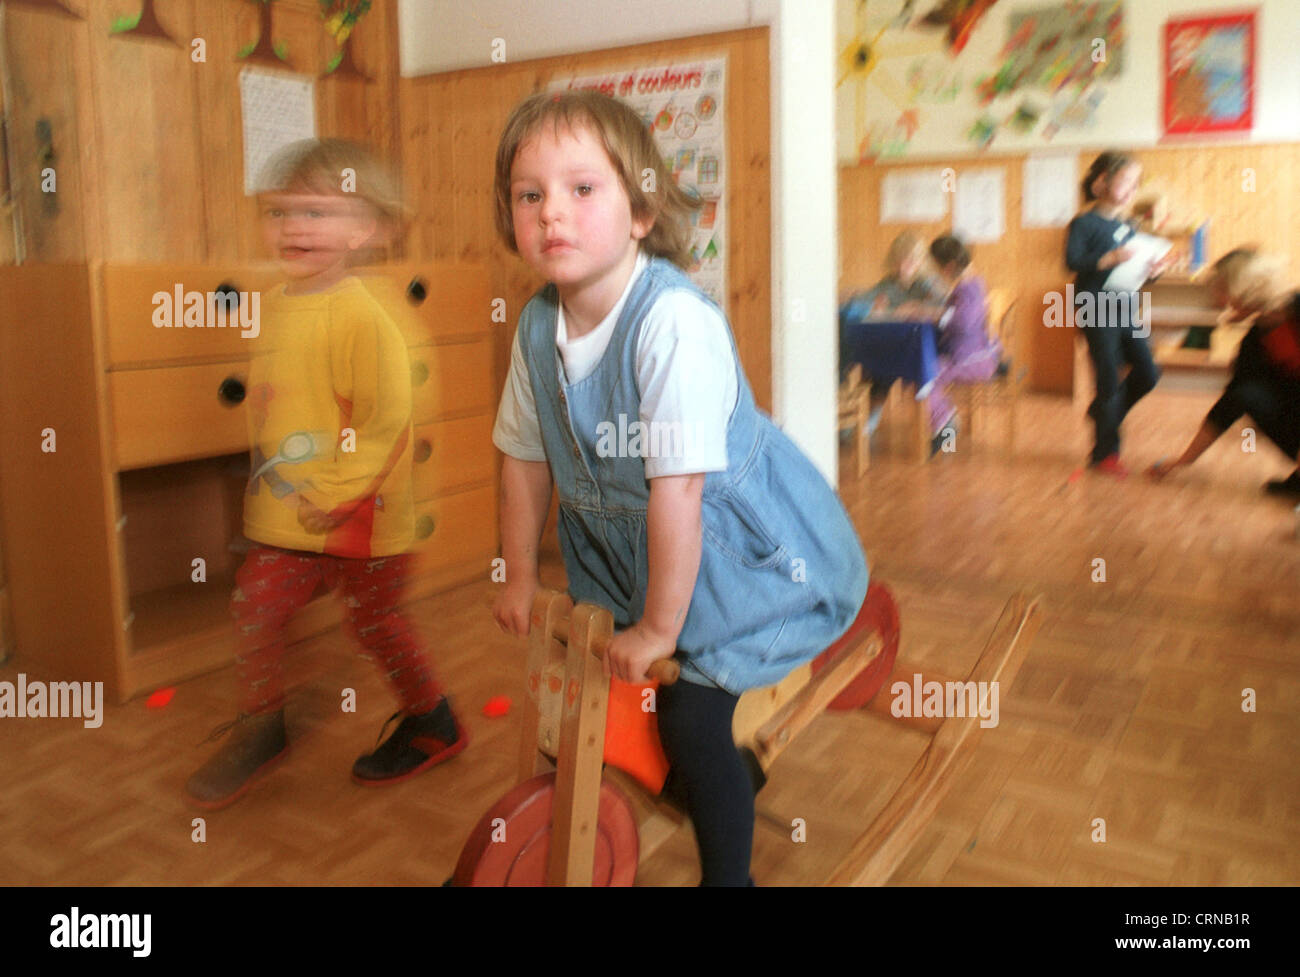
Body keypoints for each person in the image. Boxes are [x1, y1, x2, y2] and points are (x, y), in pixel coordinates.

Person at [489, 91, 868, 886]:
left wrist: (661, 628)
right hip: (643, 563)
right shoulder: (534, 327)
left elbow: (681, 492)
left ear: (638, 211)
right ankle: (706, 785)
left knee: (692, 720)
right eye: (531, 194)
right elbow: (524, 457)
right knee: (608, 698)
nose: (551, 211)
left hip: (753, 572)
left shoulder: (670, 324)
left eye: (582, 189)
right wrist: (519, 572)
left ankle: (730, 875)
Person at [185, 139, 465, 810]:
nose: (295, 228)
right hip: (291, 516)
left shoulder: (369, 318)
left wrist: (337, 495)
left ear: (364, 228)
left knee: (373, 624)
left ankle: (433, 718)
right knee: (257, 605)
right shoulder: (278, 303)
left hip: (367, 517)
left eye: (316, 211)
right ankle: (263, 726)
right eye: (281, 213)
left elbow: (387, 421)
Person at [1149, 247, 1300, 495]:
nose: (1219, 301)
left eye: (1222, 289)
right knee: (1246, 393)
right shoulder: (1254, 343)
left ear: (1246, 286)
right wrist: (1183, 461)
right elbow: (1228, 405)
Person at [1066, 151, 1175, 477]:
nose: (1132, 188)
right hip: (1094, 306)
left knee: (1148, 372)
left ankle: (1102, 413)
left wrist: (1153, 270)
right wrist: (1108, 259)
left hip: (1126, 305)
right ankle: (1104, 454)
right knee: (1109, 379)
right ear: (1101, 182)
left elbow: (1137, 266)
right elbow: (1073, 262)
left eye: (1136, 183)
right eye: (1126, 180)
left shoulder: (1129, 225)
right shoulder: (1083, 222)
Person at [840, 231, 949, 434]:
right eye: (899, 261)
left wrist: (918, 309)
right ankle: (862, 417)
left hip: (928, 347)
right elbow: (868, 298)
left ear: (921, 261)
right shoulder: (888, 283)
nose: (903, 267)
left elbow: (947, 309)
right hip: (896, 342)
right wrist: (855, 296)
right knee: (875, 362)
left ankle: (942, 425)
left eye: (909, 261)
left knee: (889, 364)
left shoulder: (929, 283)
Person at [925, 234, 1002, 452]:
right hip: (977, 355)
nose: (936, 274)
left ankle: (946, 423)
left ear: (948, 267)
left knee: (925, 372)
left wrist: (933, 314)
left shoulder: (968, 287)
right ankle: (945, 425)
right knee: (928, 369)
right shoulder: (973, 283)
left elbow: (963, 322)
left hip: (973, 359)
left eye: (936, 269)